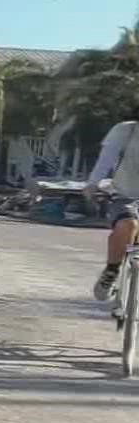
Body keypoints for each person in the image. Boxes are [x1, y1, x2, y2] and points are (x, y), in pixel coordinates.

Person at [87, 116, 139, 300]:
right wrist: (93, 184)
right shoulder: (126, 130)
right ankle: (112, 271)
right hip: (125, 195)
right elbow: (105, 161)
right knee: (128, 225)